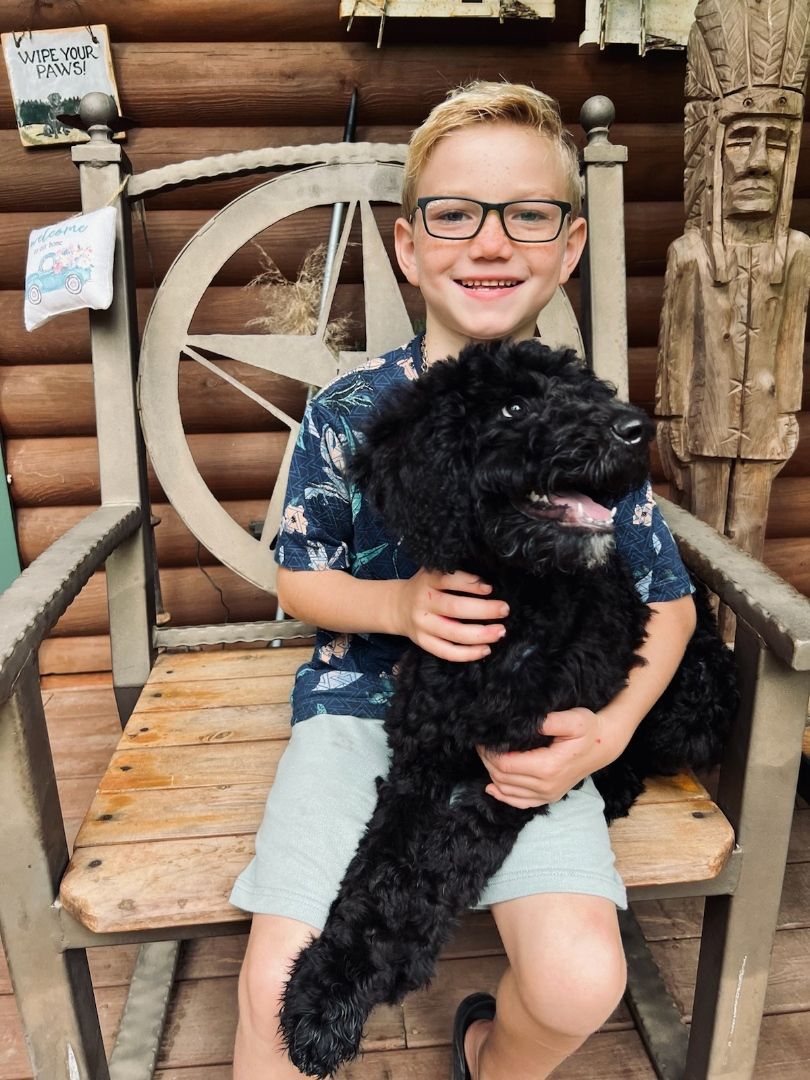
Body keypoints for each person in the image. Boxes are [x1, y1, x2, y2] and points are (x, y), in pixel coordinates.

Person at [231, 81, 696, 1080]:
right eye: (456, 214)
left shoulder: (585, 420)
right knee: (276, 996)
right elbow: (296, 578)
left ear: (566, 247)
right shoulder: (350, 410)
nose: (491, 244)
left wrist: (606, 735)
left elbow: (668, 598)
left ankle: (495, 1059)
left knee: (580, 978)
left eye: (528, 215)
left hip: (529, 726)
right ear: (409, 245)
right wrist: (396, 603)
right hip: (360, 706)